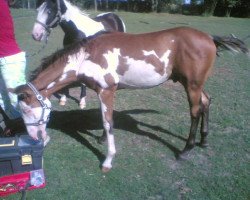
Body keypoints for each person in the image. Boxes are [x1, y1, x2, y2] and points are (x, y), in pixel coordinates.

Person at [0, 0, 27, 135]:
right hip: (3, 58)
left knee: (16, 99)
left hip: (10, 59)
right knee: (2, 99)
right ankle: (16, 126)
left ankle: (30, 132)